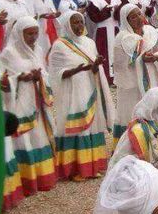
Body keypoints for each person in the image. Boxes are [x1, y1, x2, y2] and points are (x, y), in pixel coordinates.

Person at [48, 11, 112, 181]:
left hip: (89, 86)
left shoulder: (89, 42)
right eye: (74, 22)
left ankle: (92, 165)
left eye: (81, 22)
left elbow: (91, 67)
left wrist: (95, 65)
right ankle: (76, 169)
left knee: (91, 125)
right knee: (78, 125)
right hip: (71, 91)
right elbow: (54, 74)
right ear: (67, 24)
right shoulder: (60, 45)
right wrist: (78, 69)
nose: (79, 26)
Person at [0, 17, 57, 195]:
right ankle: (27, 181)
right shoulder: (9, 53)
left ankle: (43, 177)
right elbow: (3, 79)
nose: (33, 37)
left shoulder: (37, 50)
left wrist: (39, 77)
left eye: (35, 33)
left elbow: (46, 73)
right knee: (24, 141)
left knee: (39, 137)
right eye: (29, 33)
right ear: (19, 33)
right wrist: (19, 79)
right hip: (20, 105)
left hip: (37, 101)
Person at [112, 4, 158, 142]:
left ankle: (151, 145)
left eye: (139, 14)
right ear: (126, 20)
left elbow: (157, 50)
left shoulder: (150, 33)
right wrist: (141, 59)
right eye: (133, 17)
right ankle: (130, 146)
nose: (138, 18)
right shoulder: (122, 38)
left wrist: (157, 56)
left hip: (151, 77)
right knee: (132, 112)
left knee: (150, 109)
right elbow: (119, 64)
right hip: (132, 84)